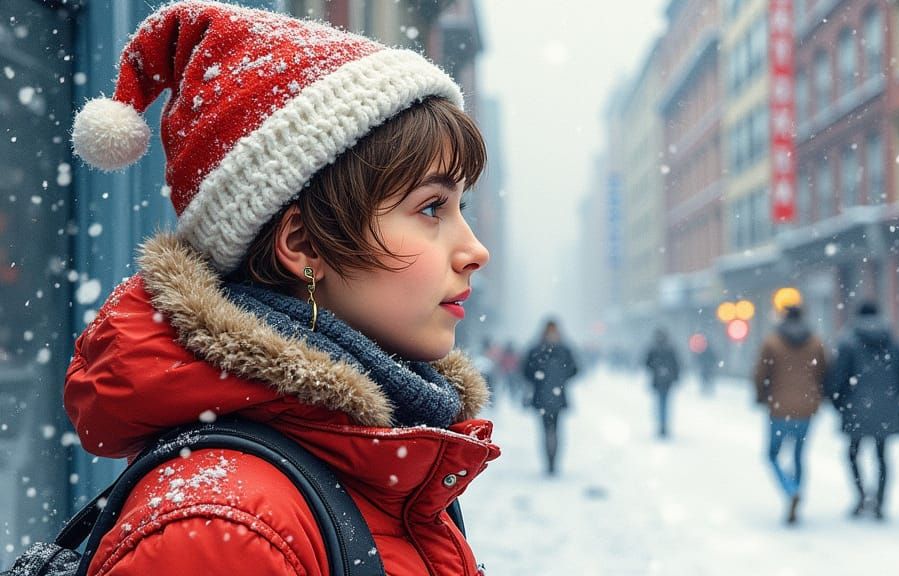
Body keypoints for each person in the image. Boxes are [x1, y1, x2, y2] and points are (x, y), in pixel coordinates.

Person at [63, 2, 498, 574]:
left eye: (459, 206)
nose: (474, 252)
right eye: (431, 207)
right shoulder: (223, 529)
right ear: (304, 247)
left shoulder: (380, 460)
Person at [826, 300, 899, 521]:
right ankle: (880, 501)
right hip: (885, 408)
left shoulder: (849, 342)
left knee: (853, 453)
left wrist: (838, 402)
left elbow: (838, 378)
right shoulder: (892, 341)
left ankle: (861, 496)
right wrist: (890, 397)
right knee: (882, 456)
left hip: (856, 407)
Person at [752, 305, 827, 525]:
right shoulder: (815, 342)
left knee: (772, 454)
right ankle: (797, 492)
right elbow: (824, 372)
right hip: (806, 409)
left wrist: (760, 396)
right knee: (798, 455)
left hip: (779, 408)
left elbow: (761, 373)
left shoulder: (772, 342)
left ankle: (790, 489)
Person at [522, 319, 579, 475]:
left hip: (545, 397)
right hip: (553, 396)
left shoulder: (538, 349)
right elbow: (575, 370)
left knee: (550, 431)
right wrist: (559, 379)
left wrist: (541, 379)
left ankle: (551, 462)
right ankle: (551, 462)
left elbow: (526, 371)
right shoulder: (562, 350)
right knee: (551, 431)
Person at [644, 328, 681, 438]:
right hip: (666, 381)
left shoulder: (654, 349)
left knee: (661, 404)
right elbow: (677, 365)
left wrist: (657, 368)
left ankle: (662, 425)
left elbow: (647, 364)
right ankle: (663, 425)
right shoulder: (669, 349)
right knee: (664, 404)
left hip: (660, 381)